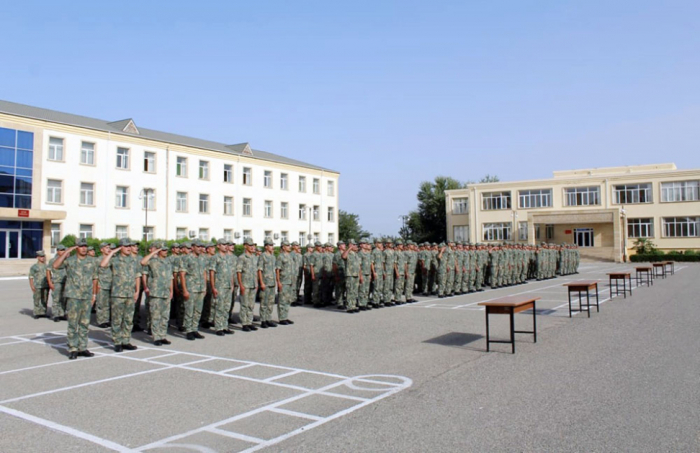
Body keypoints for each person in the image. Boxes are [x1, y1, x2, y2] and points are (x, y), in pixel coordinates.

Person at [52, 240, 99, 360]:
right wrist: (66, 252)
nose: (84, 248)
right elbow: (55, 266)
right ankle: (73, 348)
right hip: (73, 296)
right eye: (81, 246)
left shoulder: (92, 261)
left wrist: (94, 294)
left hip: (87, 296)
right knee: (73, 323)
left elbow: (95, 278)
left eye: (85, 246)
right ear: (76, 248)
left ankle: (82, 347)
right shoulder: (70, 261)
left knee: (84, 323)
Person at [101, 238, 142, 352]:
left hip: (130, 294)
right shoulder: (115, 260)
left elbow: (137, 276)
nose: (129, 248)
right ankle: (117, 341)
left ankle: (126, 341)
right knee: (117, 319)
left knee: (128, 319)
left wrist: (137, 291)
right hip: (118, 294)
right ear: (121, 248)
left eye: (130, 246)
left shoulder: (134, 261)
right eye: (126, 246)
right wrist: (113, 252)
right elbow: (103, 264)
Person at [141, 242, 174, 345]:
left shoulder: (168, 262)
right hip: (156, 292)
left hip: (166, 292)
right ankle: (156, 337)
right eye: (163, 250)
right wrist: (154, 252)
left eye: (166, 250)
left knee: (165, 316)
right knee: (155, 315)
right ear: (159, 251)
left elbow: (170, 277)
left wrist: (171, 291)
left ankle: (163, 335)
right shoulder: (153, 261)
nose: (165, 252)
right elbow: (143, 262)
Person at [180, 240, 207, 340]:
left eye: (201, 246)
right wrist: (185, 290)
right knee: (189, 310)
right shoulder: (186, 258)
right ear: (192, 247)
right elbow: (182, 275)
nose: (200, 248)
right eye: (198, 246)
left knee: (198, 311)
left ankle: (195, 329)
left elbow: (204, 273)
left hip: (200, 288)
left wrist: (204, 288)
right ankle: (189, 331)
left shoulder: (202, 259)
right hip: (191, 288)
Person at [237, 238, 259, 332]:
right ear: (245, 246)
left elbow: (256, 272)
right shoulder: (242, 257)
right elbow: (239, 272)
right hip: (245, 284)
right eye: (250, 245)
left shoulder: (254, 257)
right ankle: (244, 323)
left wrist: (257, 283)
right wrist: (241, 285)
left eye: (253, 245)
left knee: (251, 305)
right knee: (244, 305)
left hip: (253, 284)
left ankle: (250, 322)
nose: (252, 247)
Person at [257, 239, 278, 328]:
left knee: (270, 302)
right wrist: (261, 282)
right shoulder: (263, 256)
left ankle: (268, 319)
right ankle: (263, 320)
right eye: (270, 245)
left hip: (272, 282)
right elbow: (259, 270)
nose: (272, 247)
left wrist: (276, 281)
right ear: (266, 246)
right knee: (264, 302)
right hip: (265, 282)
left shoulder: (273, 257)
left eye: (272, 245)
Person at [275, 240, 295, 325]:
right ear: (283, 247)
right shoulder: (280, 257)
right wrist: (278, 282)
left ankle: (285, 316)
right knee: (282, 300)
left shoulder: (290, 256)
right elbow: (277, 270)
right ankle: (282, 318)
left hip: (290, 281)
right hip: (283, 281)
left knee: (287, 300)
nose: (289, 247)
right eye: (287, 246)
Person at [46, 244, 68, 322]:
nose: (63, 252)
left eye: (64, 250)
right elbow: (48, 271)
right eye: (61, 250)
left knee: (64, 298)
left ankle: (62, 313)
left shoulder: (66, 260)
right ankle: (56, 314)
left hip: (65, 281)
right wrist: (50, 282)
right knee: (56, 298)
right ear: (58, 251)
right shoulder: (53, 260)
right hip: (57, 281)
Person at [96, 243, 113, 328]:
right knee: (101, 303)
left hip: (111, 284)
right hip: (101, 284)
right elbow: (95, 273)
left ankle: (106, 319)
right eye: (106, 248)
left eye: (109, 248)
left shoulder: (112, 259)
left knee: (108, 304)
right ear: (101, 249)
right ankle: (101, 320)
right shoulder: (98, 260)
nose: (108, 249)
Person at [28, 250, 49, 319]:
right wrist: (32, 285)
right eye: (41, 257)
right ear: (38, 257)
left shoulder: (46, 266)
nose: (42, 258)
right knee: (37, 299)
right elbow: (31, 277)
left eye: (43, 256)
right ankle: (37, 312)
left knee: (45, 299)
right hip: (37, 285)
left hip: (46, 285)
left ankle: (43, 312)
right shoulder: (34, 267)